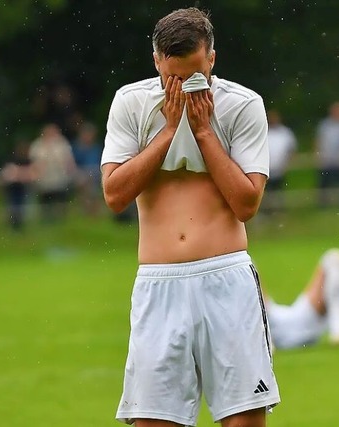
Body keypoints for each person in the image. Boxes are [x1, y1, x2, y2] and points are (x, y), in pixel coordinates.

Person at [101, 7, 280, 427]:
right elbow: (114, 194)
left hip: (226, 280)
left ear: (212, 59)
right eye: (173, 78)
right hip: (158, 285)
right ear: (157, 61)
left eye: (195, 76)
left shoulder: (242, 105)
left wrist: (202, 131)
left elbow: (246, 204)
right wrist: (167, 131)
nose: (184, 87)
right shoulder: (132, 103)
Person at [263, 248, 339, 350]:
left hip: (303, 322)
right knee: (247, 264)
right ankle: (263, 342)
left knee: (335, 258)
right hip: (268, 329)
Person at [29, 123, 76, 223]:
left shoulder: (62, 143)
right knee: (45, 202)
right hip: (44, 180)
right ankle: (46, 220)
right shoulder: (37, 145)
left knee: (61, 201)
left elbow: (68, 160)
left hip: (60, 179)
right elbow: (35, 163)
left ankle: (62, 219)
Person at [262, 109, 297, 215]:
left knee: (278, 191)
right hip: (265, 169)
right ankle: (265, 212)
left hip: (280, 168)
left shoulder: (285, 133)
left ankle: (278, 212)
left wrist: (287, 163)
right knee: (265, 192)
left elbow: (291, 149)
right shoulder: (263, 131)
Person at [1, 139, 35, 231]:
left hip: (23, 187)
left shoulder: (27, 160)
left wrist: (19, 174)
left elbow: (31, 174)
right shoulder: (13, 159)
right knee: (14, 206)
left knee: (22, 207)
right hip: (13, 187)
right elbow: (9, 174)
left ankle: (19, 225)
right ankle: (15, 225)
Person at [71, 121, 103, 215]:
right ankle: (87, 209)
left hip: (96, 173)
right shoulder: (77, 148)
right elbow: (74, 164)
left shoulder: (96, 147)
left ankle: (95, 210)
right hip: (82, 173)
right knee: (84, 182)